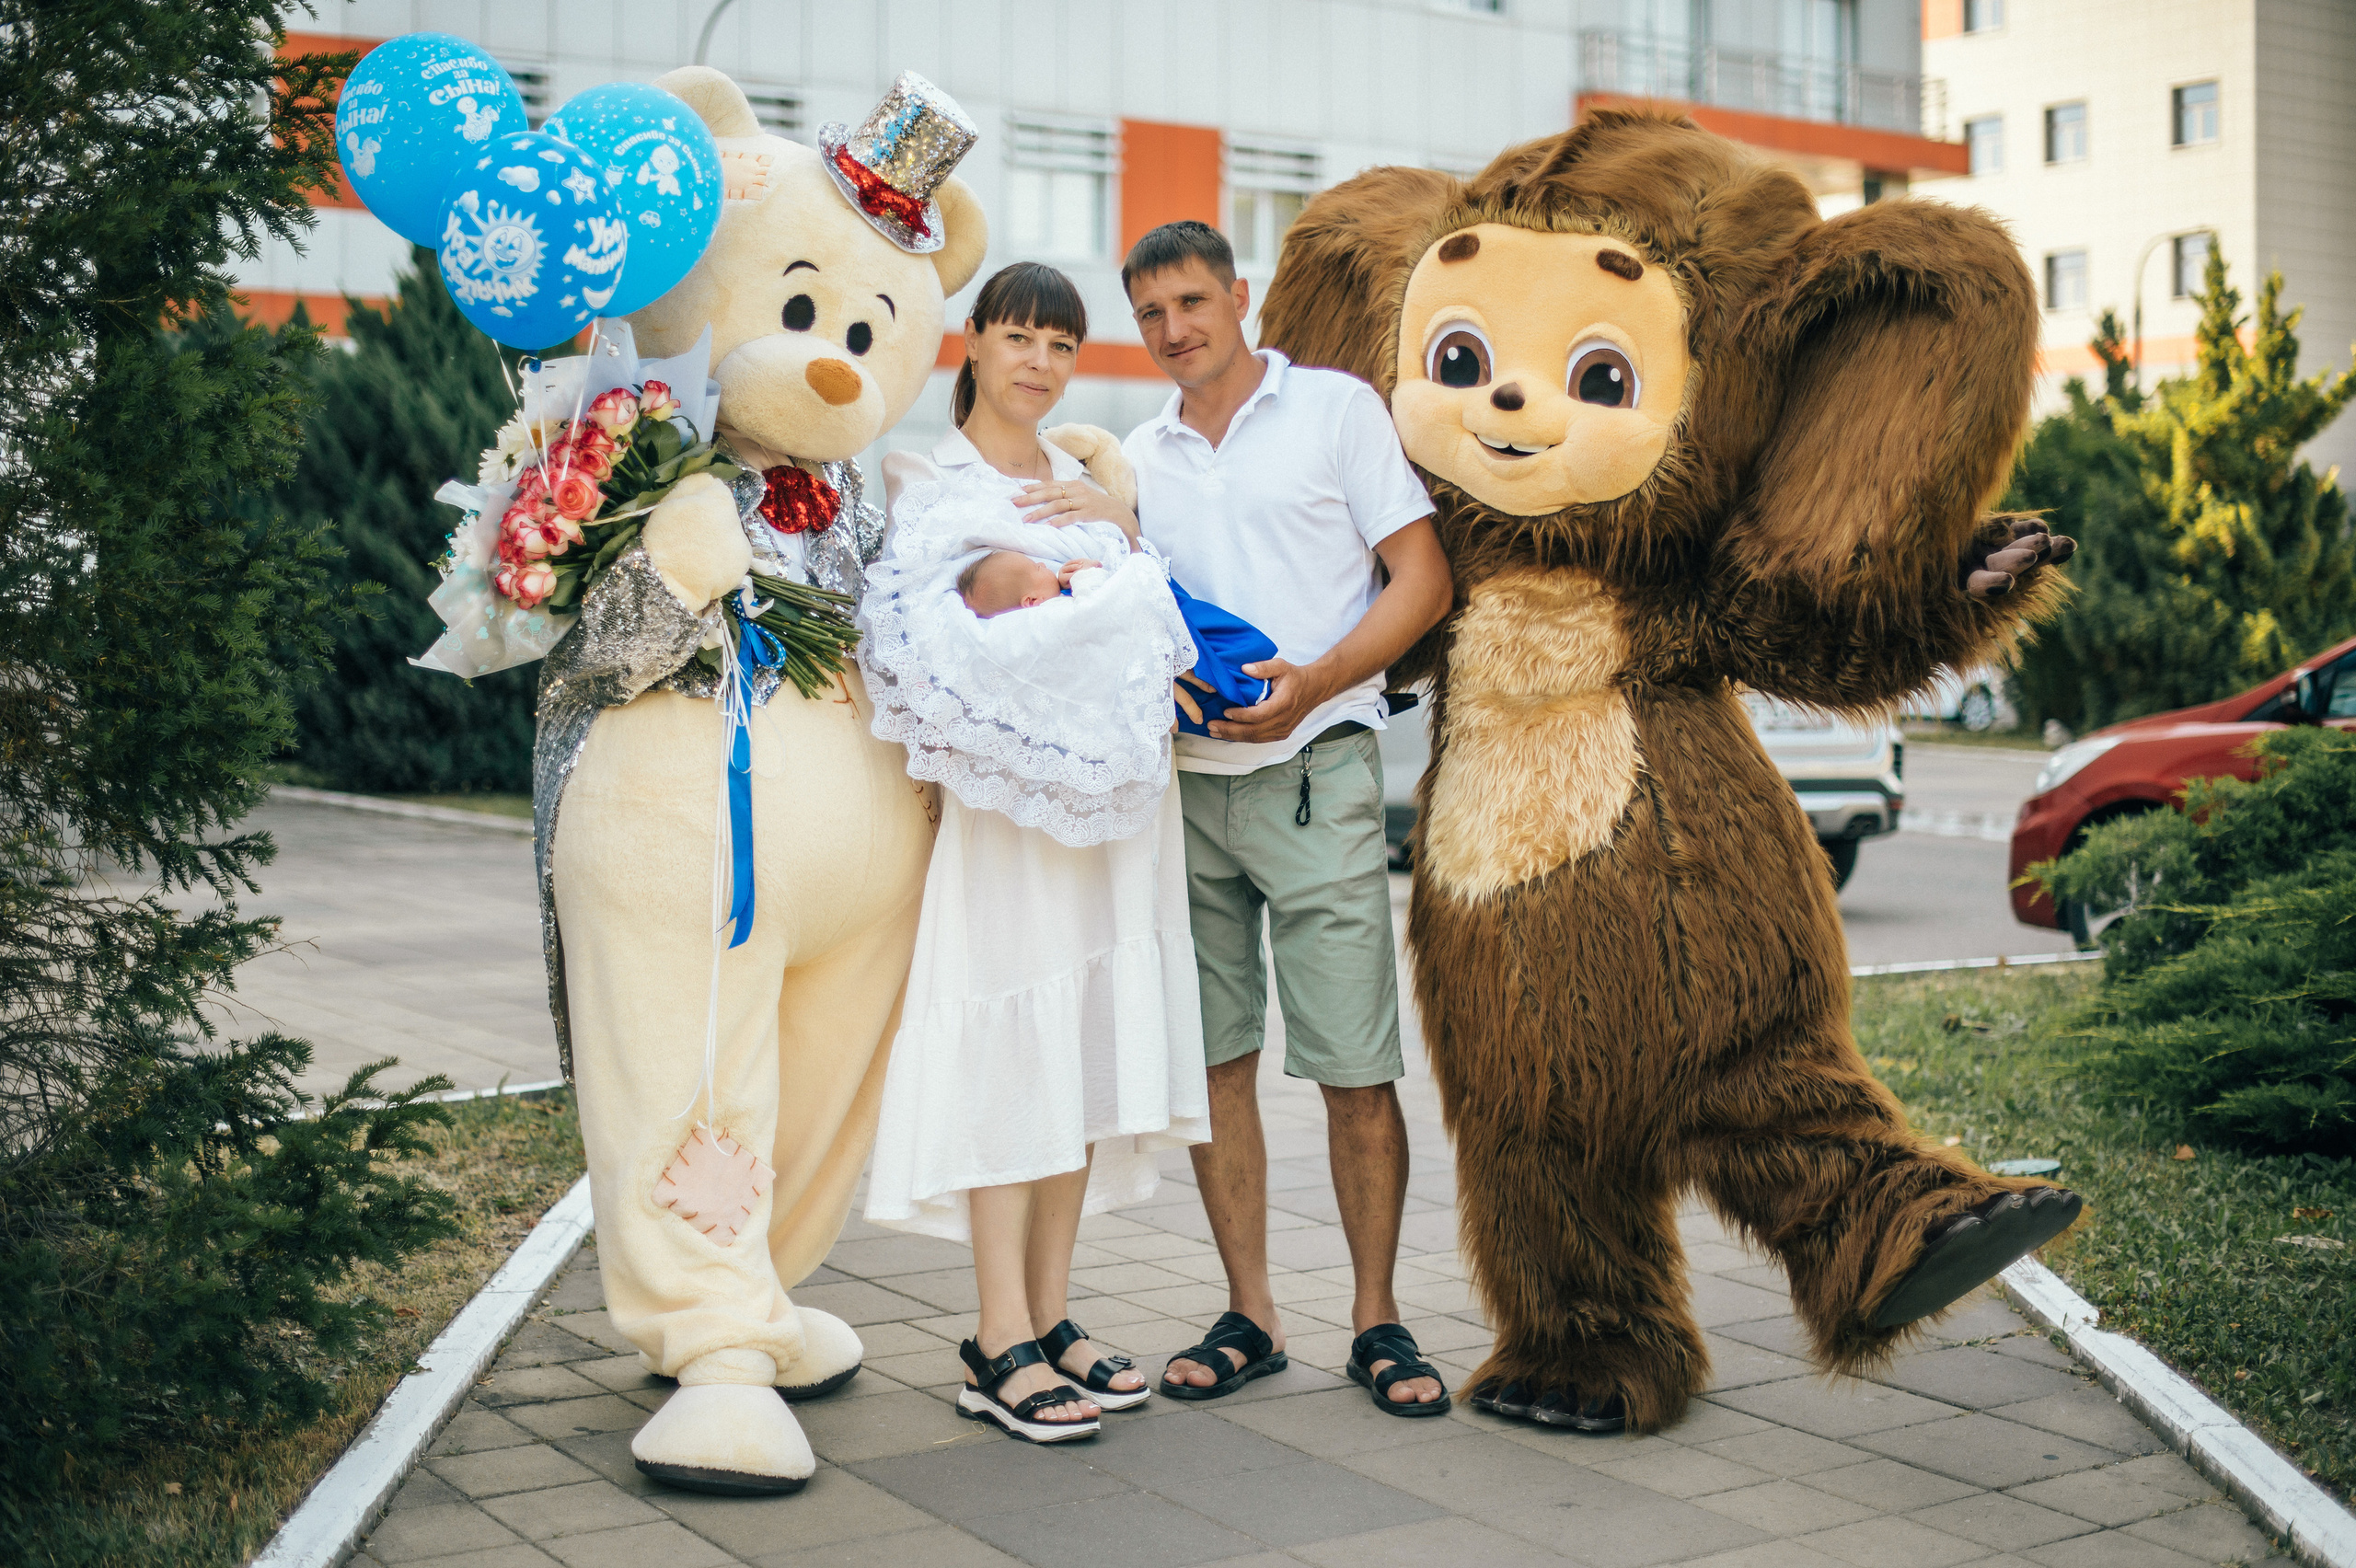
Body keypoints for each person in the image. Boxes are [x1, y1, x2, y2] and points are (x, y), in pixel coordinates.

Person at [859, 261, 1211, 1443]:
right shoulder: (925, 476)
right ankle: (995, 1337)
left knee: (1076, 1056)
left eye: (1061, 346)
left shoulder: (1086, 482)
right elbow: (953, 626)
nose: (1040, 364)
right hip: (1009, 829)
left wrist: (1116, 548)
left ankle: (1052, 1318)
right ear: (977, 341)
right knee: (1014, 1053)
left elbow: (1148, 620)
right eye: (1019, 337)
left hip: (1111, 823)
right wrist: (1069, 589)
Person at [1119, 220, 1458, 1415]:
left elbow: (1424, 578)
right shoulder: (1133, 459)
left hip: (1320, 769)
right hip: (1183, 793)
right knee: (1218, 1065)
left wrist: (1314, 680)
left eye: (1194, 302)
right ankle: (1251, 1314)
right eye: (1153, 312)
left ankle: (1379, 1322)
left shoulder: (1335, 413)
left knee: (1355, 1068)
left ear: (1241, 296)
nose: (1175, 330)